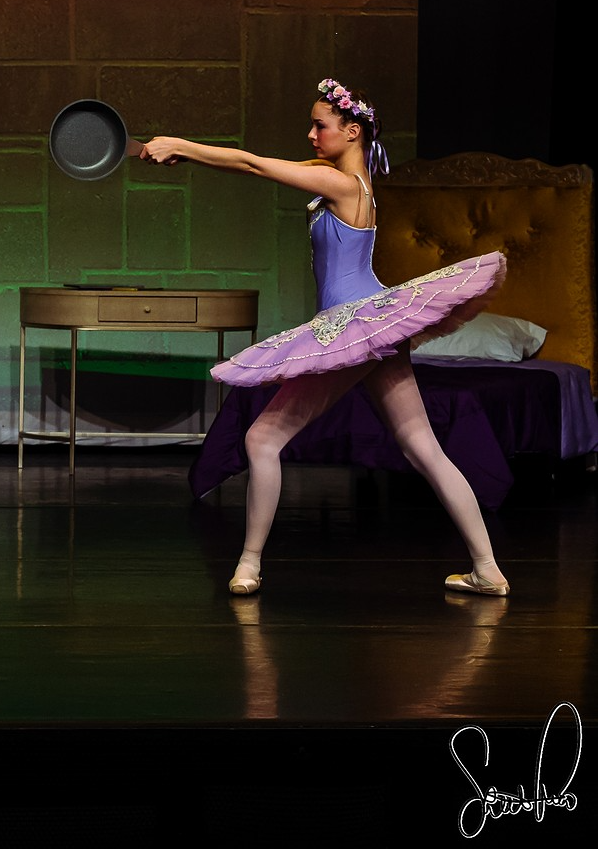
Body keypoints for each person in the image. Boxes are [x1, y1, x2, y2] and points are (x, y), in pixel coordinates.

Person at [140, 78, 509, 597]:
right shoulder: (346, 180)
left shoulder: (343, 186)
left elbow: (253, 164)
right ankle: (487, 568)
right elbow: (254, 165)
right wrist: (192, 157)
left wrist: (182, 143)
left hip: (353, 324)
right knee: (423, 448)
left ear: (352, 131)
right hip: (374, 322)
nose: (311, 135)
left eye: (320, 125)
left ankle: (248, 565)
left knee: (262, 439)